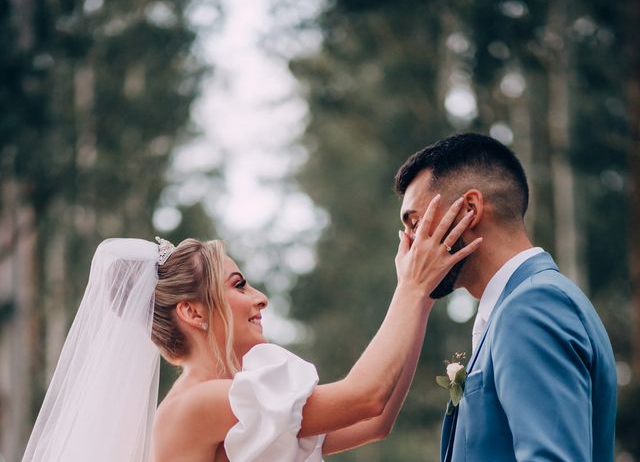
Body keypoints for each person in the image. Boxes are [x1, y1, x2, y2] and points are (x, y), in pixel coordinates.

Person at [22, 196, 481, 462]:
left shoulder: (235, 401)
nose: (260, 297)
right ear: (194, 313)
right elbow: (364, 397)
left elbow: (375, 422)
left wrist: (423, 292)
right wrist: (411, 286)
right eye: (238, 285)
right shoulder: (198, 404)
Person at [394, 133, 617, 462]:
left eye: (416, 222)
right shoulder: (519, 304)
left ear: (470, 209)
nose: (409, 246)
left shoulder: (532, 306)